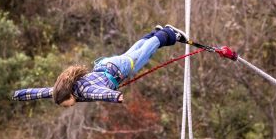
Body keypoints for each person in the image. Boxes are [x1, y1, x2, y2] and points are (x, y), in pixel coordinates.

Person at [13, 25, 187, 105]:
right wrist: (19, 95)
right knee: (131, 54)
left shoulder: (83, 91)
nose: (66, 107)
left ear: (69, 96)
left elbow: (99, 93)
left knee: (141, 57)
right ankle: (154, 33)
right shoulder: (62, 89)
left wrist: (115, 97)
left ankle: (166, 34)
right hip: (106, 65)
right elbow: (40, 92)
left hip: (118, 69)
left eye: (66, 104)